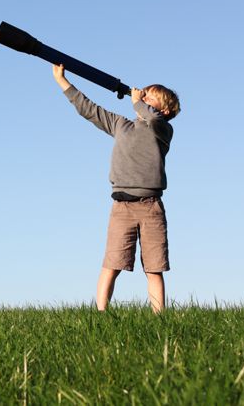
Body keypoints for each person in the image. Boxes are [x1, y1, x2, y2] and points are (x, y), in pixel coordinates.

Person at [51, 64, 181, 313]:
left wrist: (136, 102)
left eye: (150, 95)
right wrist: (62, 81)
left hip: (150, 207)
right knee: (111, 264)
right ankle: (101, 315)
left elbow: (152, 118)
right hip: (121, 207)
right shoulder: (121, 125)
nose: (143, 95)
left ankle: (160, 318)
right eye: (143, 93)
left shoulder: (163, 129)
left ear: (164, 109)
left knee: (154, 268)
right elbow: (89, 109)